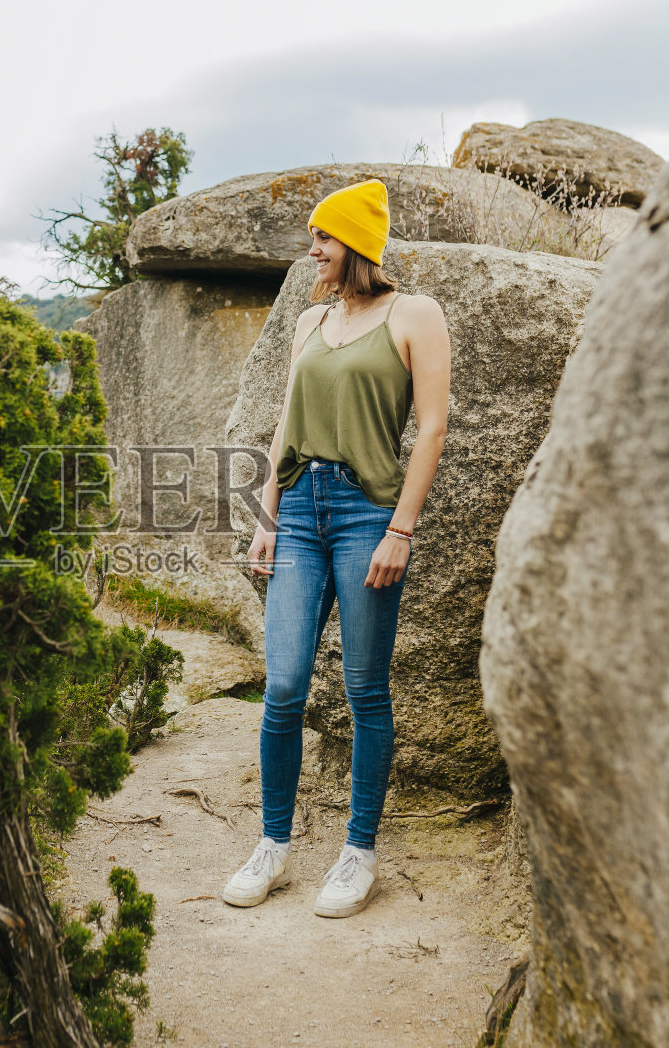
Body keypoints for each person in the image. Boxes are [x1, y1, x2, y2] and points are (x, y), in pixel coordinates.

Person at [223, 179, 451, 917]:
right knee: (282, 685)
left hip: (366, 515)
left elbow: (434, 428)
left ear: (352, 243)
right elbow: (288, 423)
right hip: (300, 517)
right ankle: (274, 847)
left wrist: (400, 528)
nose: (311, 250)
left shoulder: (415, 314)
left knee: (364, 690)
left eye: (321, 238)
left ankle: (358, 854)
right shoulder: (310, 321)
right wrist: (268, 517)